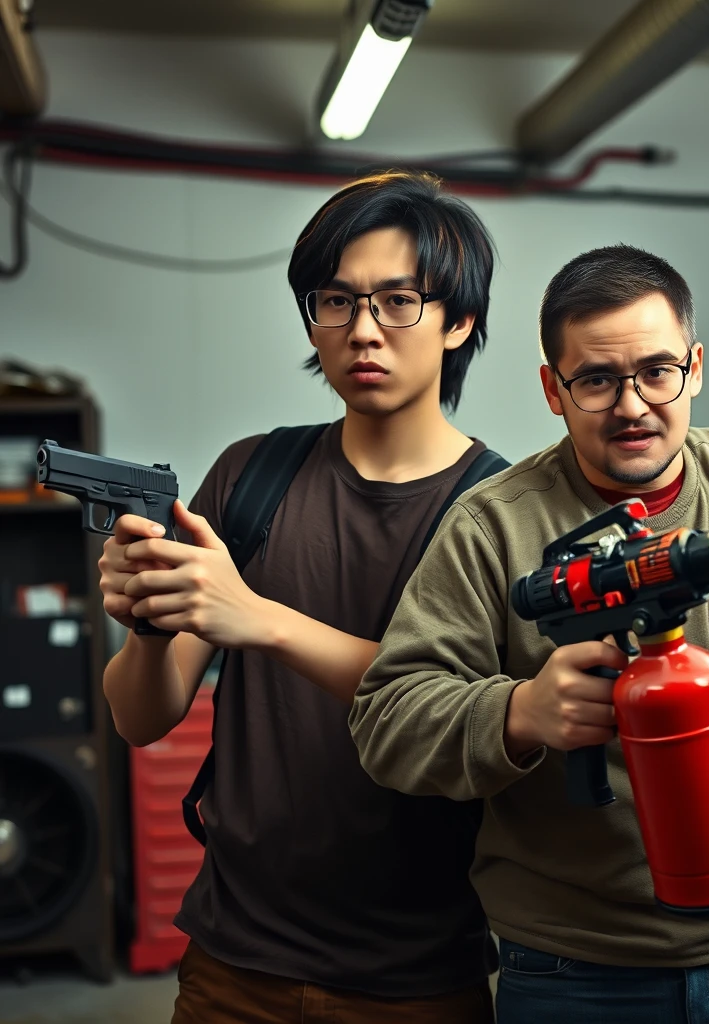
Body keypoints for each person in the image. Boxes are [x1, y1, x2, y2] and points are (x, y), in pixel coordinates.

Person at [350, 244, 709, 1023]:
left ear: (696, 366)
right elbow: (386, 719)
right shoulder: (493, 524)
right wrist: (521, 713)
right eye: (597, 380)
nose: (633, 405)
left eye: (657, 371)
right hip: (570, 974)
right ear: (553, 387)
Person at [97, 171, 502, 1024]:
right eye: (335, 301)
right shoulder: (253, 475)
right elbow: (141, 719)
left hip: (416, 975)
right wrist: (142, 628)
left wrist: (262, 619)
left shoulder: (499, 511)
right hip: (231, 960)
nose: (362, 331)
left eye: (399, 302)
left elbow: (468, 723)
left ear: (459, 321)